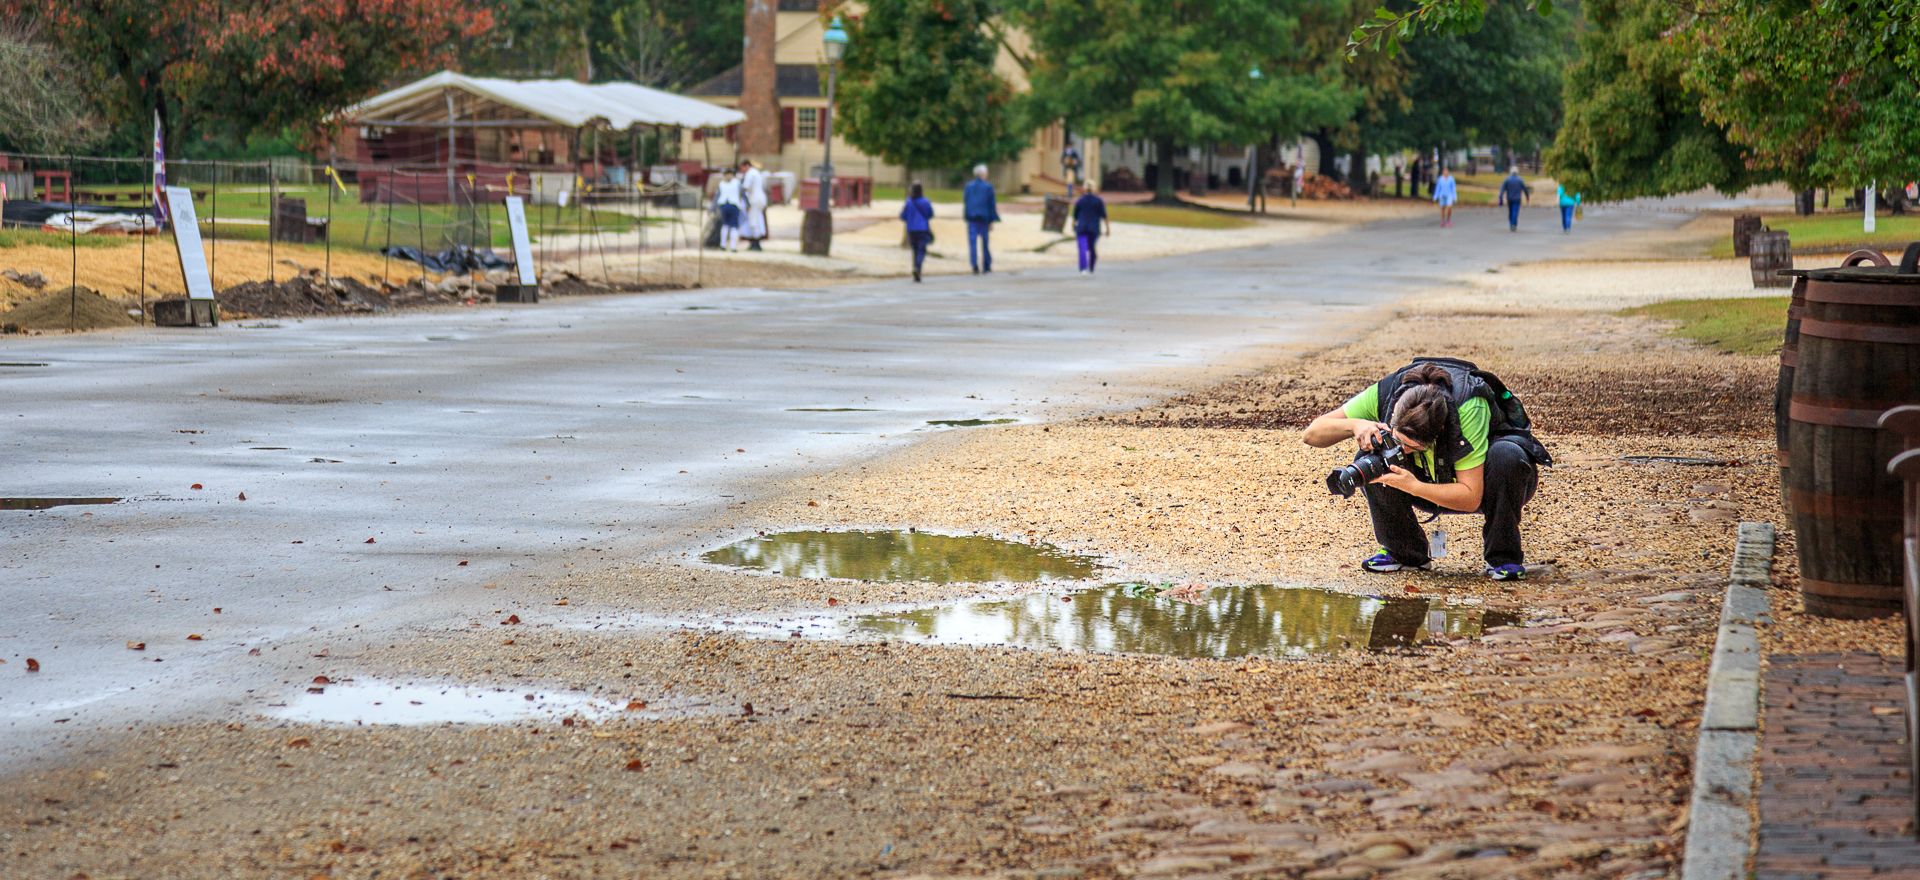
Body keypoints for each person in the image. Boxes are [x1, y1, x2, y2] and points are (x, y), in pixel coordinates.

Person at [1301, 357, 1552, 581]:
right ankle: (1405, 553)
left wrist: (1414, 486)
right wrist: (1356, 425)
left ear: (1438, 435)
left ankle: (1504, 557)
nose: (1402, 450)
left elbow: (1471, 496)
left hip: (1489, 484)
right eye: (1398, 440)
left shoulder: (1468, 407)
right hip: (1425, 478)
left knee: (1506, 456)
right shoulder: (1388, 393)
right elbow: (1311, 434)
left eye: (1412, 447)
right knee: (1371, 459)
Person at [963, 164, 1000, 274]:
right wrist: (992, 220)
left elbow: (966, 201)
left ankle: (974, 265)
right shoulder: (988, 187)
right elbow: (991, 204)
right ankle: (986, 264)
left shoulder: (968, 186)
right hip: (984, 218)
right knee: (985, 242)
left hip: (972, 218)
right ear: (984, 174)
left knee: (973, 243)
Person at [900, 180, 935, 282]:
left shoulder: (908, 202)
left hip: (911, 230)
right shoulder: (926, 201)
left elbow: (903, 216)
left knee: (914, 251)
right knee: (921, 250)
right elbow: (931, 214)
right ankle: (918, 268)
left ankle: (916, 270)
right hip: (922, 229)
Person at [1072, 181, 1108, 275]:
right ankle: (1091, 267)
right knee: (1092, 247)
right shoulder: (1098, 200)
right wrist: (1107, 229)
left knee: (1082, 248)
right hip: (1094, 228)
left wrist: (1073, 225)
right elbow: (1104, 216)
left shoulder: (1080, 200)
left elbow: (1075, 215)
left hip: (1082, 227)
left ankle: (1083, 268)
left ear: (1084, 188)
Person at [714, 168, 745, 252]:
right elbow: (742, 194)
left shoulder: (721, 184)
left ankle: (723, 245)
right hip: (734, 205)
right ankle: (733, 246)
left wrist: (713, 208)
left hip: (724, 204)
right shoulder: (737, 183)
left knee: (725, 225)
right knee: (734, 226)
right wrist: (747, 204)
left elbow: (717, 196)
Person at [740, 159, 768, 250]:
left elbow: (745, 188)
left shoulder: (750, 174)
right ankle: (754, 241)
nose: (742, 170)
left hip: (754, 200)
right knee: (758, 220)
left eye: (743, 168)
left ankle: (756, 242)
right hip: (761, 198)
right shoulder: (757, 173)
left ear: (747, 165)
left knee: (752, 222)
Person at [1497, 167, 1530, 232]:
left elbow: (1502, 190)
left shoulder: (1507, 180)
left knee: (1511, 211)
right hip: (1517, 199)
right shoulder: (1520, 180)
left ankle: (1511, 223)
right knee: (1515, 212)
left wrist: (1500, 197)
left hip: (1509, 198)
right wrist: (1527, 197)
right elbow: (1525, 189)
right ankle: (1513, 225)